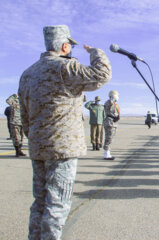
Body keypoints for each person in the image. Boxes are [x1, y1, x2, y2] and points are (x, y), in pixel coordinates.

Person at [18, 25, 112, 239]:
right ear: (64, 45)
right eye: (70, 45)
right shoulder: (65, 68)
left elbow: (24, 115)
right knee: (57, 204)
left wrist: (34, 137)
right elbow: (102, 74)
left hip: (38, 147)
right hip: (63, 148)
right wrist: (95, 52)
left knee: (40, 203)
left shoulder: (27, 73)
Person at [103, 90, 120, 160]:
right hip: (109, 122)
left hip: (112, 122)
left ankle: (108, 153)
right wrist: (112, 98)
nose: (118, 97)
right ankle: (106, 154)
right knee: (108, 138)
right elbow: (110, 104)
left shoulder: (114, 104)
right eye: (116, 95)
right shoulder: (109, 102)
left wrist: (116, 117)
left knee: (110, 138)